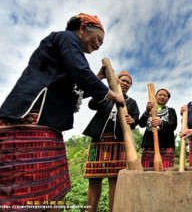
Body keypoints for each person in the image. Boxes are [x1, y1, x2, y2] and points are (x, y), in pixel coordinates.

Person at [0, 13, 124, 211]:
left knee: (52, 191)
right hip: (31, 120)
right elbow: (81, 72)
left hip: (50, 126)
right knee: (22, 193)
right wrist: (113, 95)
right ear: (82, 28)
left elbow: (73, 90)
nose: (99, 45)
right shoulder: (67, 38)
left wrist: (96, 80)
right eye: (99, 39)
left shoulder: (70, 56)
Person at [83, 71, 139, 212]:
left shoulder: (131, 103)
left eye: (128, 82)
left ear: (130, 86)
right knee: (94, 179)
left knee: (115, 179)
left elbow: (136, 119)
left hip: (119, 143)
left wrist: (132, 121)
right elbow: (91, 104)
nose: (125, 83)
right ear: (117, 81)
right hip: (99, 140)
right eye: (123, 80)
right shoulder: (105, 95)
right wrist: (107, 93)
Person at [139, 88, 177, 168]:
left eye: (165, 96)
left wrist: (161, 123)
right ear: (155, 97)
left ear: (168, 99)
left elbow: (173, 125)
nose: (162, 97)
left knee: (166, 172)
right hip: (149, 144)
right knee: (147, 172)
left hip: (166, 145)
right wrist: (146, 111)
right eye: (160, 95)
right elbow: (141, 124)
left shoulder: (171, 111)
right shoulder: (149, 110)